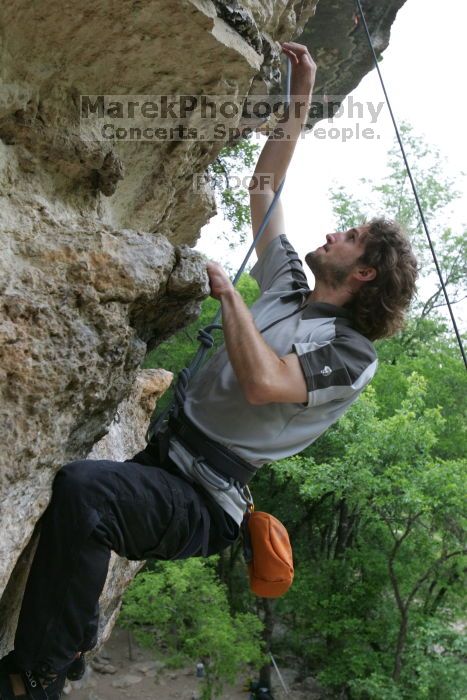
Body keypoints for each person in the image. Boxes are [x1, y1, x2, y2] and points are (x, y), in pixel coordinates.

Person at [0, 43, 418, 700]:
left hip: (202, 501)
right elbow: (263, 187)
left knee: (84, 493)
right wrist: (298, 97)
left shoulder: (351, 354)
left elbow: (266, 384)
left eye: (351, 236)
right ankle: (73, 638)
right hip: (166, 461)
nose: (335, 231)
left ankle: (41, 676)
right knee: (69, 509)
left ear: (362, 273)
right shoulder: (287, 288)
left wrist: (229, 301)